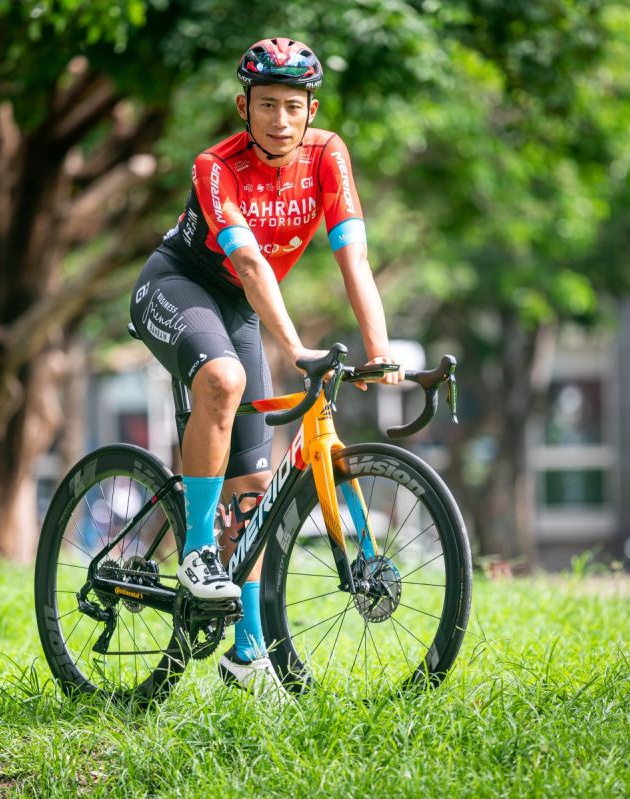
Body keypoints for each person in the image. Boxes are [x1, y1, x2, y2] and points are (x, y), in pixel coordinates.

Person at [129, 37, 402, 695]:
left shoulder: (328, 157)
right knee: (225, 379)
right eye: (267, 105)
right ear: (242, 104)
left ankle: (247, 654)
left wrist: (381, 350)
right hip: (177, 286)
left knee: (254, 491)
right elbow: (249, 265)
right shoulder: (215, 166)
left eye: (294, 106)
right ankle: (197, 551)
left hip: (244, 306)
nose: (281, 119)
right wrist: (296, 349)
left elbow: (353, 259)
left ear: (311, 108)